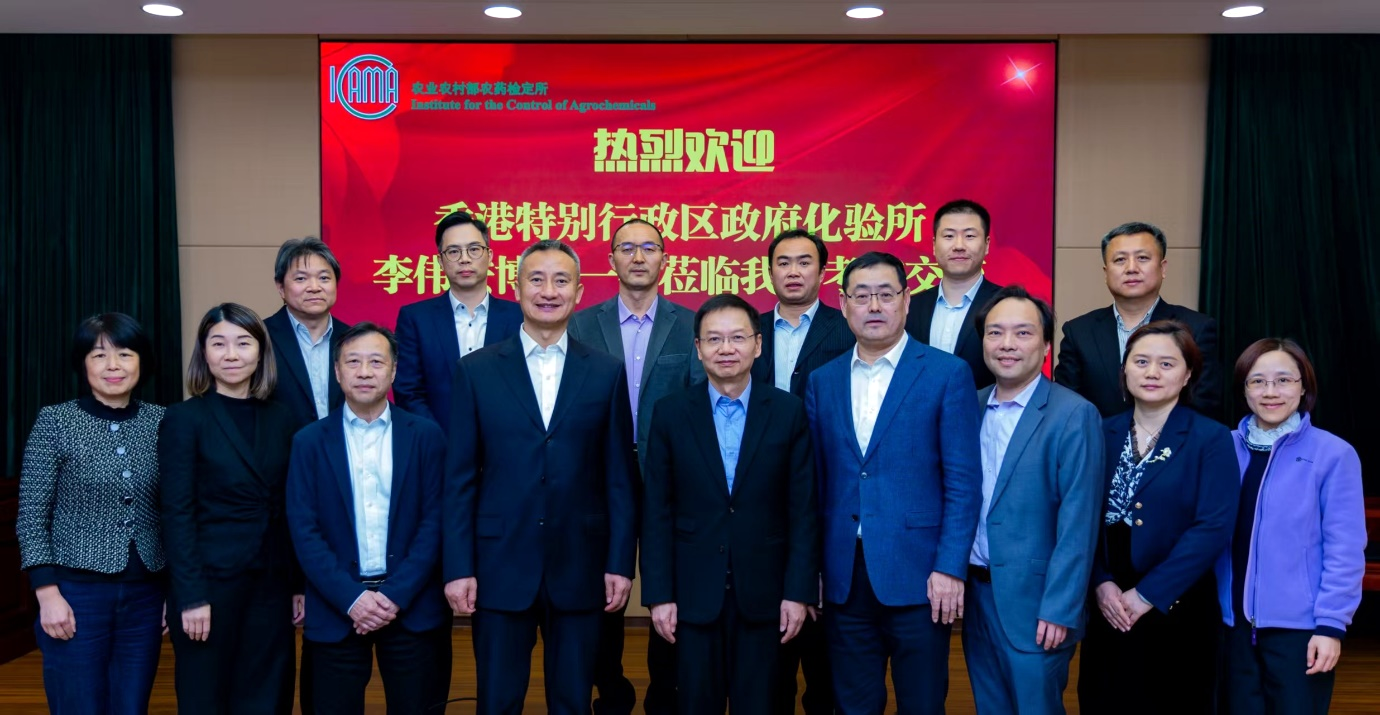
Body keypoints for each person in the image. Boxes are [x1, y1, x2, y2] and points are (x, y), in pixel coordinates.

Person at [443, 239, 637, 714]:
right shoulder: (476, 371)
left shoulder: (606, 372)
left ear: (578, 292)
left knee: (572, 701)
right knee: (497, 701)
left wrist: (619, 562)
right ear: (516, 288)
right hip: (498, 565)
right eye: (536, 279)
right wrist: (459, 567)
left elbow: (618, 477)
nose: (548, 291)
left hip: (580, 565)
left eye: (561, 280)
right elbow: (459, 479)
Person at [805, 251, 982, 714]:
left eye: (886, 294)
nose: (874, 306)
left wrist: (950, 568)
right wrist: (812, 568)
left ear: (906, 301)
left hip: (921, 576)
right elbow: (814, 486)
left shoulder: (946, 373)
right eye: (862, 295)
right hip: (844, 575)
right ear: (843, 303)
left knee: (922, 703)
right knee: (853, 703)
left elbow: (963, 483)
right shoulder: (823, 381)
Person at [641, 294, 819, 714]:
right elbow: (657, 513)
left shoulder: (788, 412)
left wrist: (798, 593)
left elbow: (803, 511)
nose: (726, 348)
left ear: (758, 345)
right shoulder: (670, 414)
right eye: (714, 339)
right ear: (698, 348)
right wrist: (659, 595)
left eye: (738, 338)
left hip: (766, 597)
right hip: (691, 596)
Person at [568, 218, 701, 715]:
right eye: (627, 248)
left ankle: (664, 693)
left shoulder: (691, 324)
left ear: (666, 258)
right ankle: (611, 689)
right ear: (611, 261)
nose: (638, 257)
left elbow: (697, 405)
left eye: (649, 248)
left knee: (670, 585)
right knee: (605, 588)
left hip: (672, 478)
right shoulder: (581, 324)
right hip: (600, 477)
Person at [287, 323, 453, 714]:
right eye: (353, 362)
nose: (364, 372)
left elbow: (435, 522)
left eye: (376, 362)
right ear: (337, 371)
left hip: (412, 606)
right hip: (336, 607)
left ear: (393, 371)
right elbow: (304, 530)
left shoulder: (426, 436)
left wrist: (394, 595)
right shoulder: (308, 441)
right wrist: (352, 599)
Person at [1078, 320, 1238, 715]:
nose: (1152, 372)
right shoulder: (1100, 431)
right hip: (1109, 603)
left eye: (1167, 364)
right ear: (1125, 370)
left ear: (1188, 375)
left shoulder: (1210, 437)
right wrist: (1100, 583)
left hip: (1177, 603)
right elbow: (1080, 516)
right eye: (1141, 361)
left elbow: (1214, 526)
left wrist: (1148, 594)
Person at [961, 287, 1103, 714]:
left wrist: (1060, 608)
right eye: (995, 333)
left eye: (1022, 333)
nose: (1007, 344)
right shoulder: (969, 406)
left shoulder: (1073, 414)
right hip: (977, 596)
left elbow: (1079, 523)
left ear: (1045, 346)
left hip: (1038, 604)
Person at [17, 313, 167, 714]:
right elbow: (31, 514)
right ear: (83, 363)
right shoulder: (56, 421)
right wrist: (47, 594)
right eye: (99, 355)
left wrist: (173, 591)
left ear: (142, 361)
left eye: (125, 354)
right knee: (78, 704)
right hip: (75, 593)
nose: (113, 365)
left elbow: (173, 509)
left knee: (131, 705)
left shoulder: (162, 422)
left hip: (146, 594)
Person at [159, 303, 305, 714]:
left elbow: (289, 506)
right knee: (206, 696)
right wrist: (190, 596)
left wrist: (297, 585)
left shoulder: (282, 418)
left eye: (243, 343)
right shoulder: (184, 418)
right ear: (204, 353)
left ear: (260, 351)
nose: (231, 354)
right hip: (209, 585)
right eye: (218, 343)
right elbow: (176, 513)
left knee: (267, 694)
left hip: (270, 583)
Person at [1216, 339, 1366, 714]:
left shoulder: (1333, 454)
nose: (1271, 392)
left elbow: (1345, 549)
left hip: (1301, 631)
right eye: (1257, 381)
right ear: (1244, 389)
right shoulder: (1220, 448)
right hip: (1230, 627)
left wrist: (1330, 626)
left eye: (1283, 380)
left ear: (1303, 387)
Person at [750, 228, 852, 715]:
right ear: (769, 270)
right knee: (770, 667)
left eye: (804, 262)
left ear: (823, 271)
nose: (793, 271)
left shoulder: (847, 329)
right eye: (783, 262)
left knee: (826, 664)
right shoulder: (747, 331)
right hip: (759, 498)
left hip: (830, 487)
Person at [1054, 222, 1221, 419]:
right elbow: (1066, 408)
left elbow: (1204, 405)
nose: (1131, 268)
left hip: (1174, 438)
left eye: (1142, 258)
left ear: (1163, 268)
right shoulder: (1079, 332)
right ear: (1106, 273)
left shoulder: (1197, 328)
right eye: (1120, 260)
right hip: (1098, 438)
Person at [395, 211, 523, 432]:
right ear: (440, 261)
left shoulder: (519, 317)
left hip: (507, 445)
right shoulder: (415, 319)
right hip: (437, 445)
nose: (464, 259)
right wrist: (440, 441)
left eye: (474, 249)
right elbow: (408, 392)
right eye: (454, 251)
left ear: (490, 256)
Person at [903, 199, 1004, 389]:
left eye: (969, 236)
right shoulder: (909, 307)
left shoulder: (1006, 304)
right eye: (949, 236)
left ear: (987, 244)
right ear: (934, 245)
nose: (959, 245)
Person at [264, 236, 352, 427]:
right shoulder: (260, 337)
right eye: (301, 279)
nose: (314, 287)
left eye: (324, 278)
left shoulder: (352, 339)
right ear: (280, 288)